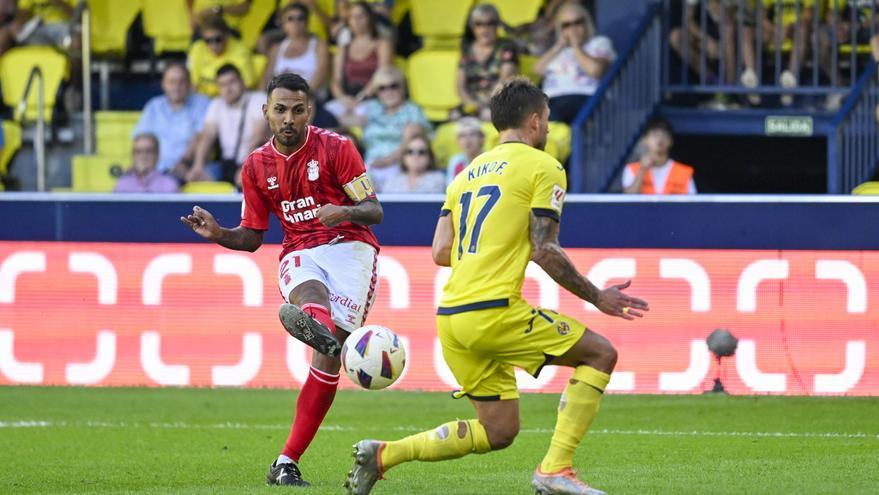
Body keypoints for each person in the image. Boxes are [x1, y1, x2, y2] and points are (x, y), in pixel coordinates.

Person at [344, 77, 649, 495]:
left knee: (499, 430)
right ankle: (556, 468)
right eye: (546, 121)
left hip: (452, 320)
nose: (547, 128)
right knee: (600, 354)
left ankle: (383, 456)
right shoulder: (544, 166)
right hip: (493, 311)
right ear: (536, 120)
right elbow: (545, 249)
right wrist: (598, 297)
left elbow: (439, 251)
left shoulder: (463, 175)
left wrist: (489, 247)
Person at [180, 72, 384, 488]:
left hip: (350, 247)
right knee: (307, 288)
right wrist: (220, 234)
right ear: (266, 113)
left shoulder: (338, 147)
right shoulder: (255, 165)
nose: (288, 118)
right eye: (280, 110)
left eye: (297, 110)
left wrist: (342, 211)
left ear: (308, 111)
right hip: (300, 250)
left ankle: (285, 460)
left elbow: (374, 210)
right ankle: (315, 322)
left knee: (327, 362)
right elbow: (254, 237)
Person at [534, 2, 615, 124]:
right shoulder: (558, 51)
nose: (572, 29)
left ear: (586, 23)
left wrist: (576, 46)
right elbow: (538, 69)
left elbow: (595, 71)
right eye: (566, 25)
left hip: (584, 97)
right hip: (551, 101)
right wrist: (559, 45)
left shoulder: (599, 43)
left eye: (578, 22)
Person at [359, 66, 431, 190]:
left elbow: (413, 142)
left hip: (400, 167)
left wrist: (386, 161)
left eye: (394, 86)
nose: (388, 91)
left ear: (403, 88)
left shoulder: (412, 110)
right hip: (370, 166)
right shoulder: (372, 108)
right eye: (382, 88)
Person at [133, 63, 211, 176]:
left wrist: (184, 162)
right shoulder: (154, 106)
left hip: (186, 169)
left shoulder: (202, 103)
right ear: (163, 84)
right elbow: (141, 139)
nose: (176, 87)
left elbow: (202, 136)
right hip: (153, 169)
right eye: (171, 82)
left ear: (189, 84)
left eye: (181, 81)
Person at [325, 1, 392, 127]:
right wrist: (343, 98)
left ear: (370, 18)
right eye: (352, 17)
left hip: (372, 97)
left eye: (361, 16)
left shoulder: (382, 43)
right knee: (326, 114)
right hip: (347, 97)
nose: (357, 21)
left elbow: (382, 74)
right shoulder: (344, 47)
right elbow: (336, 81)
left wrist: (361, 97)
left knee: (359, 116)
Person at [455, 3, 519, 121]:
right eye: (479, 24)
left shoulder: (507, 47)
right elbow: (460, 86)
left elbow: (505, 81)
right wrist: (471, 104)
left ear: (497, 25)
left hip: (499, 102)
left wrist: (484, 105)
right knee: (454, 117)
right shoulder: (466, 49)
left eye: (490, 23)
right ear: (472, 27)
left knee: (487, 115)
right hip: (472, 104)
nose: (485, 29)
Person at [260, 2, 330, 95]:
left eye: (300, 18)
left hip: (309, 98)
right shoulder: (276, 49)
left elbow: (320, 76)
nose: (295, 22)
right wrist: (259, 97)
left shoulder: (319, 45)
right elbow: (266, 78)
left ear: (307, 22)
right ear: (283, 25)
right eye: (290, 19)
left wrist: (301, 96)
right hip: (280, 98)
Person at [187, 15, 257, 96]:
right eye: (208, 40)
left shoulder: (241, 50)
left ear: (227, 35)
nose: (213, 45)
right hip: (204, 99)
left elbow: (246, 86)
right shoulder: (197, 48)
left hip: (231, 98)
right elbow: (193, 84)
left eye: (218, 39)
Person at [622, 119, 697, 195]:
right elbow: (628, 199)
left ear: (671, 141)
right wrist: (642, 170)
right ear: (645, 140)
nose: (660, 139)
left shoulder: (683, 172)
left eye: (664, 135)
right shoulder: (632, 169)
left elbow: (693, 203)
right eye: (655, 135)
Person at [113, 134, 180, 194]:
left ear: (157, 155)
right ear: (132, 156)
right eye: (138, 152)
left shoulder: (169, 185)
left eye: (148, 151)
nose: (143, 157)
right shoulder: (122, 184)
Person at [445, 117, 485, 185]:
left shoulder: (490, 158)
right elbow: (450, 186)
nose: (467, 139)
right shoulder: (455, 161)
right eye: (462, 135)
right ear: (457, 141)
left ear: (482, 138)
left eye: (472, 134)